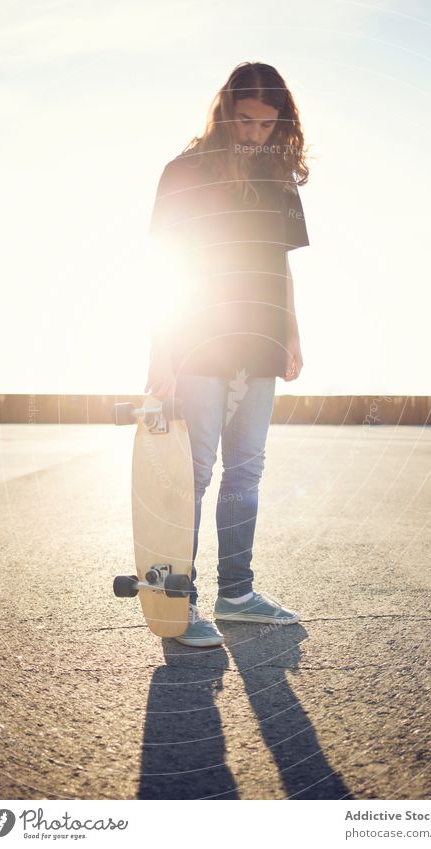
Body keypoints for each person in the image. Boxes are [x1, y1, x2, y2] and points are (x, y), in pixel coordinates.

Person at [145, 61, 310, 647]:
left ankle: (237, 594)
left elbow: (282, 262)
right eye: (245, 120)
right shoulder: (185, 171)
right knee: (193, 471)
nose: (254, 133)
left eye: (267, 125)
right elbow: (168, 266)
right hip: (199, 335)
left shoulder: (279, 178)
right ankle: (177, 601)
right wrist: (160, 351)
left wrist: (291, 332)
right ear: (224, 111)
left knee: (247, 470)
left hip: (260, 337)